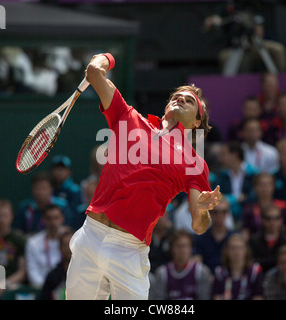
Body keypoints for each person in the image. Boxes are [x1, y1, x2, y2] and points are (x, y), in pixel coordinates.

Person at [65, 53, 221, 300]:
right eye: (175, 97)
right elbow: (95, 72)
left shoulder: (195, 162)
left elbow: (198, 226)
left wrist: (202, 210)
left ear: (197, 122)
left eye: (189, 101)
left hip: (128, 250)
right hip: (90, 235)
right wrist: (109, 57)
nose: (179, 99)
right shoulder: (129, 117)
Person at [151, 230, 212, 300]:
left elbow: (204, 297)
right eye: (179, 246)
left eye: (186, 246)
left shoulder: (201, 271)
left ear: (191, 249)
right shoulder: (162, 273)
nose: (182, 250)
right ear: (171, 249)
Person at [209, 141, 259, 223]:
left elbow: (253, 196)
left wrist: (230, 199)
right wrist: (236, 199)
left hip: (248, 213)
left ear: (234, 155)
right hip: (226, 213)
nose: (220, 157)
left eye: (224, 154)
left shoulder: (253, 173)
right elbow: (217, 195)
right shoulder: (222, 175)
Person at [25, 204, 70, 290]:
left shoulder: (70, 241)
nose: (53, 222)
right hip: (42, 290)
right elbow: (33, 273)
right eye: (49, 218)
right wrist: (49, 288)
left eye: (56, 218)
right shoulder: (33, 243)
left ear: (62, 219)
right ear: (43, 220)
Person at [211, 233, 264, 300]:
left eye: (240, 248)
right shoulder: (219, 272)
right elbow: (217, 297)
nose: (237, 252)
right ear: (226, 251)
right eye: (233, 248)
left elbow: (258, 297)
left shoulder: (255, 271)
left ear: (246, 250)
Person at [241, 173, 286, 240]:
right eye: (261, 185)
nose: (265, 188)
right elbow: (245, 231)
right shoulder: (249, 209)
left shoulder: (283, 206)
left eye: (268, 184)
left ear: (273, 187)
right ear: (255, 188)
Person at [248, 205, 286, 274]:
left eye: (276, 218)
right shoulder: (253, 240)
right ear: (262, 220)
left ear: (281, 220)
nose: (272, 222)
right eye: (268, 218)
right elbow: (252, 263)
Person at [193, 197, 235, 273]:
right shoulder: (200, 238)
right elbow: (197, 265)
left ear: (228, 214)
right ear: (209, 213)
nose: (219, 215)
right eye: (216, 212)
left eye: (224, 212)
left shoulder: (234, 238)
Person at [50, 154, 84, 230]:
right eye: (56, 169)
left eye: (61, 169)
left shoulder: (75, 191)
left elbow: (75, 214)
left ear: (69, 171)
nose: (59, 172)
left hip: (70, 230)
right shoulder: (50, 189)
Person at [40, 230, 74, 300]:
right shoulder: (52, 276)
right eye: (65, 245)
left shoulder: (85, 273)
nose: (68, 248)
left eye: (71, 244)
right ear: (59, 248)